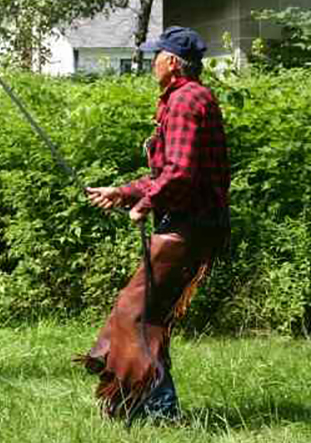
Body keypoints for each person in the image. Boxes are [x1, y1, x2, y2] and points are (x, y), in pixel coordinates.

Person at [79, 26, 231, 422]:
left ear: (173, 63)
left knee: (135, 311)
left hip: (188, 225)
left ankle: (157, 410)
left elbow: (179, 174)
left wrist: (145, 204)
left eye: (156, 56)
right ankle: (149, 407)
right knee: (146, 313)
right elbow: (171, 171)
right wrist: (123, 192)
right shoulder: (188, 97)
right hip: (193, 222)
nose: (151, 63)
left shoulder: (184, 101)